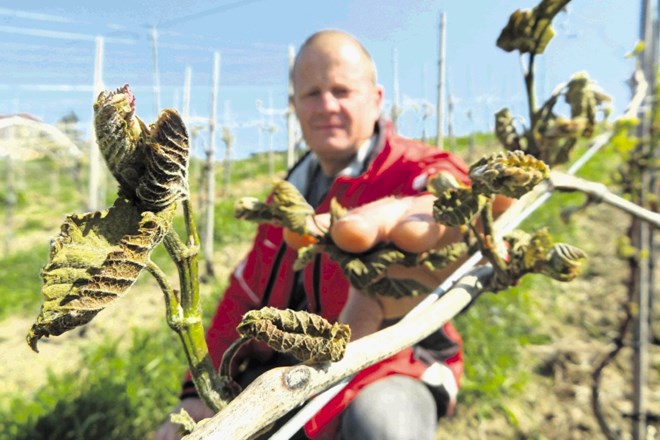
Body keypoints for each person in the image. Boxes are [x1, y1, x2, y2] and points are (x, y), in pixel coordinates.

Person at [155, 29, 473, 440]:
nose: (327, 105)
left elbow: (449, 191)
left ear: (376, 99)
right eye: (312, 93)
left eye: (342, 90)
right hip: (291, 373)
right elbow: (243, 298)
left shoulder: (412, 169)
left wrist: (452, 211)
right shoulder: (284, 200)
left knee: (382, 424)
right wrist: (198, 391)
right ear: (294, 106)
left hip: (394, 363)